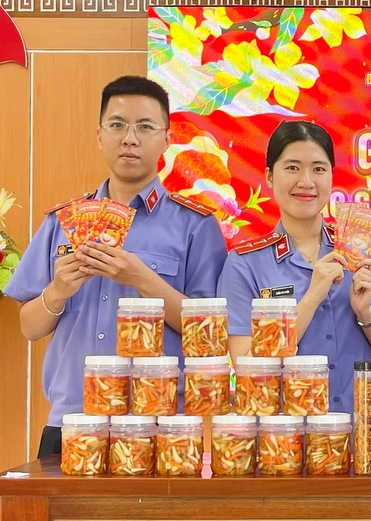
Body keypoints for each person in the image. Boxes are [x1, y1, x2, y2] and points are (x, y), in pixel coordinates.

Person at [3, 75, 228, 458]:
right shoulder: (63, 222)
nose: (130, 138)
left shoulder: (195, 225)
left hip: (159, 425)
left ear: (167, 139)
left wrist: (140, 278)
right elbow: (29, 327)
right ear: (99, 135)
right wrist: (57, 292)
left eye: (145, 127)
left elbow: (210, 337)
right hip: (71, 421)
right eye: (118, 125)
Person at [217, 121, 371, 414]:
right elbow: (247, 370)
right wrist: (310, 299)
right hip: (283, 435)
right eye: (292, 167)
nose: (306, 181)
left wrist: (366, 314)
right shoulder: (244, 264)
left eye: (318, 169)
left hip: (360, 429)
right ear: (269, 176)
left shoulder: (367, 248)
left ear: (332, 177)